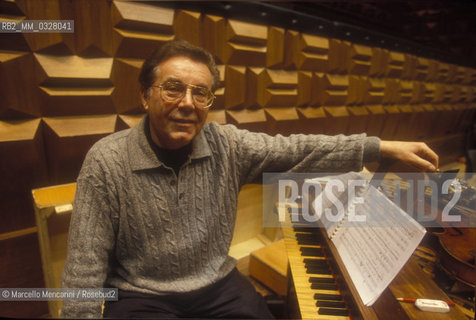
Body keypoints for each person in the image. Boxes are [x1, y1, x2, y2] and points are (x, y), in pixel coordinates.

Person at [61, 39, 439, 319]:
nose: (188, 103)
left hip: (218, 287)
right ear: (145, 96)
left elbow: (301, 150)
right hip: (141, 296)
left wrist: (380, 148)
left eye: (201, 93)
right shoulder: (106, 160)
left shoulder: (228, 144)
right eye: (174, 88)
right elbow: (83, 269)